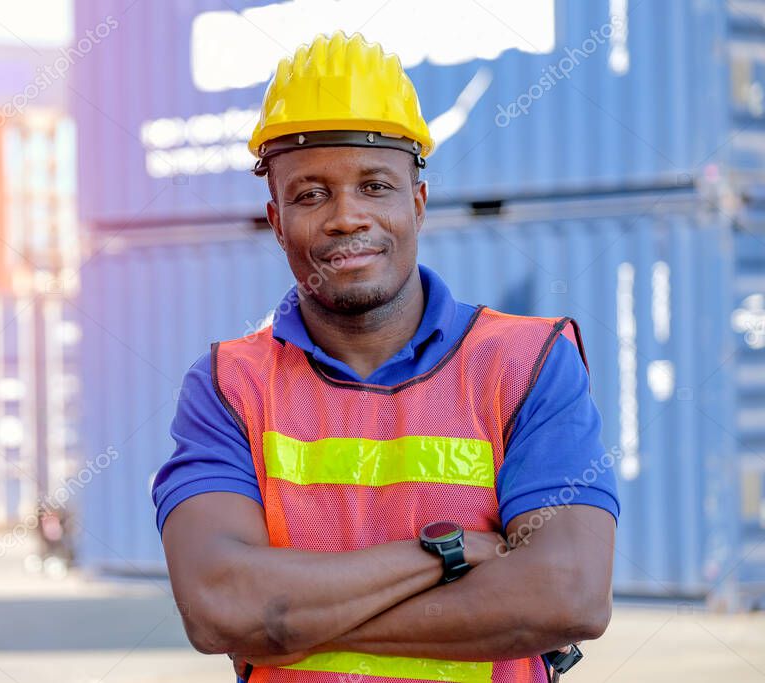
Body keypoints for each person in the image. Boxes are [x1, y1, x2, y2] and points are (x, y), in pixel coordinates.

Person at [152, 32, 619, 683]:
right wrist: (445, 555)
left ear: (417, 203)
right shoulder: (227, 386)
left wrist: (283, 623)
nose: (347, 217)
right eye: (311, 194)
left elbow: (569, 593)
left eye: (374, 185)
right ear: (277, 219)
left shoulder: (528, 364)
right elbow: (220, 608)